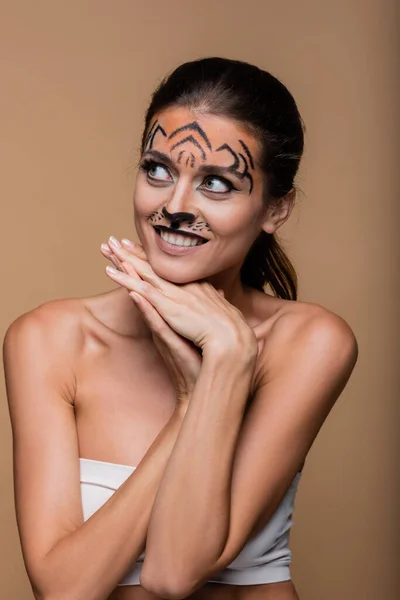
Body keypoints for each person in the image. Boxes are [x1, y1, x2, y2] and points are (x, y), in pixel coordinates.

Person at [3, 57, 358, 600]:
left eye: (216, 182)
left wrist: (231, 361)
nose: (173, 206)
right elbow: (64, 591)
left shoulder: (308, 344)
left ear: (275, 209)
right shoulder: (50, 340)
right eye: (158, 170)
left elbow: (174, 573)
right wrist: (195, 398)